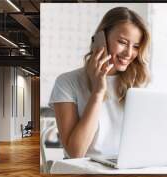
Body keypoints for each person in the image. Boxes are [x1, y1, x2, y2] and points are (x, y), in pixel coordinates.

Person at [48, 7, 151, 158]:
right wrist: (98, 92)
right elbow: (75, 153)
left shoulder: (140, 83)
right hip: (83, 174)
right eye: (122, 42)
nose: (129, 53)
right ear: (101, 38)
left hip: (127, 168)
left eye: (136, 46)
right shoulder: (66, 82)